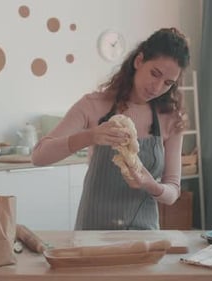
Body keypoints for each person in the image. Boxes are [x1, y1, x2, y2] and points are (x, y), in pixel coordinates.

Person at [32, 27, 190, 230]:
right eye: (154, 73)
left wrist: (151, 184)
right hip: (93, 233)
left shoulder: (171, 118)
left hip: (145, 236)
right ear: (139, 61)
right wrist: (90, 136)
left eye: (168, 83)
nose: (157, 87)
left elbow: (173, 191)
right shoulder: (93, 105)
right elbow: (38, 156)